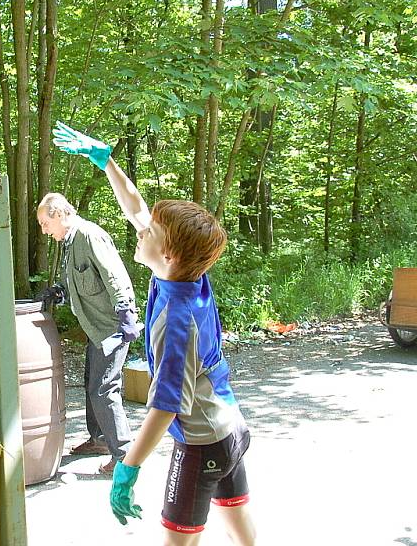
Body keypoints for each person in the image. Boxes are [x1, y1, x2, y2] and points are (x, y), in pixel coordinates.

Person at [54, 121, 256, 545]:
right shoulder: (187, 275)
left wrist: (128, 467)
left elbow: (164, 408)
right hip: (229, 426)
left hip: (202, 445)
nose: (139, 228)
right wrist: (107, 162)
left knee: (178, 539)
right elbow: (136, 207)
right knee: (239, 527)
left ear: (167, 253)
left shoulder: (175, 323)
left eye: (149, 231)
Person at [36, 191, 141, 474]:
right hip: (95, 327)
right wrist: (59, 292)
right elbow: (79, 280)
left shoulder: (89, 236)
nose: (45, 231)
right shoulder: (70, 243)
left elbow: (114, 275)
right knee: (91, 382)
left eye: (45, 224)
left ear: (59, 214)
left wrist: (126, 314)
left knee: (104, 388)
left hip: (112, 327)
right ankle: (99, 440)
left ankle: (125, 456)